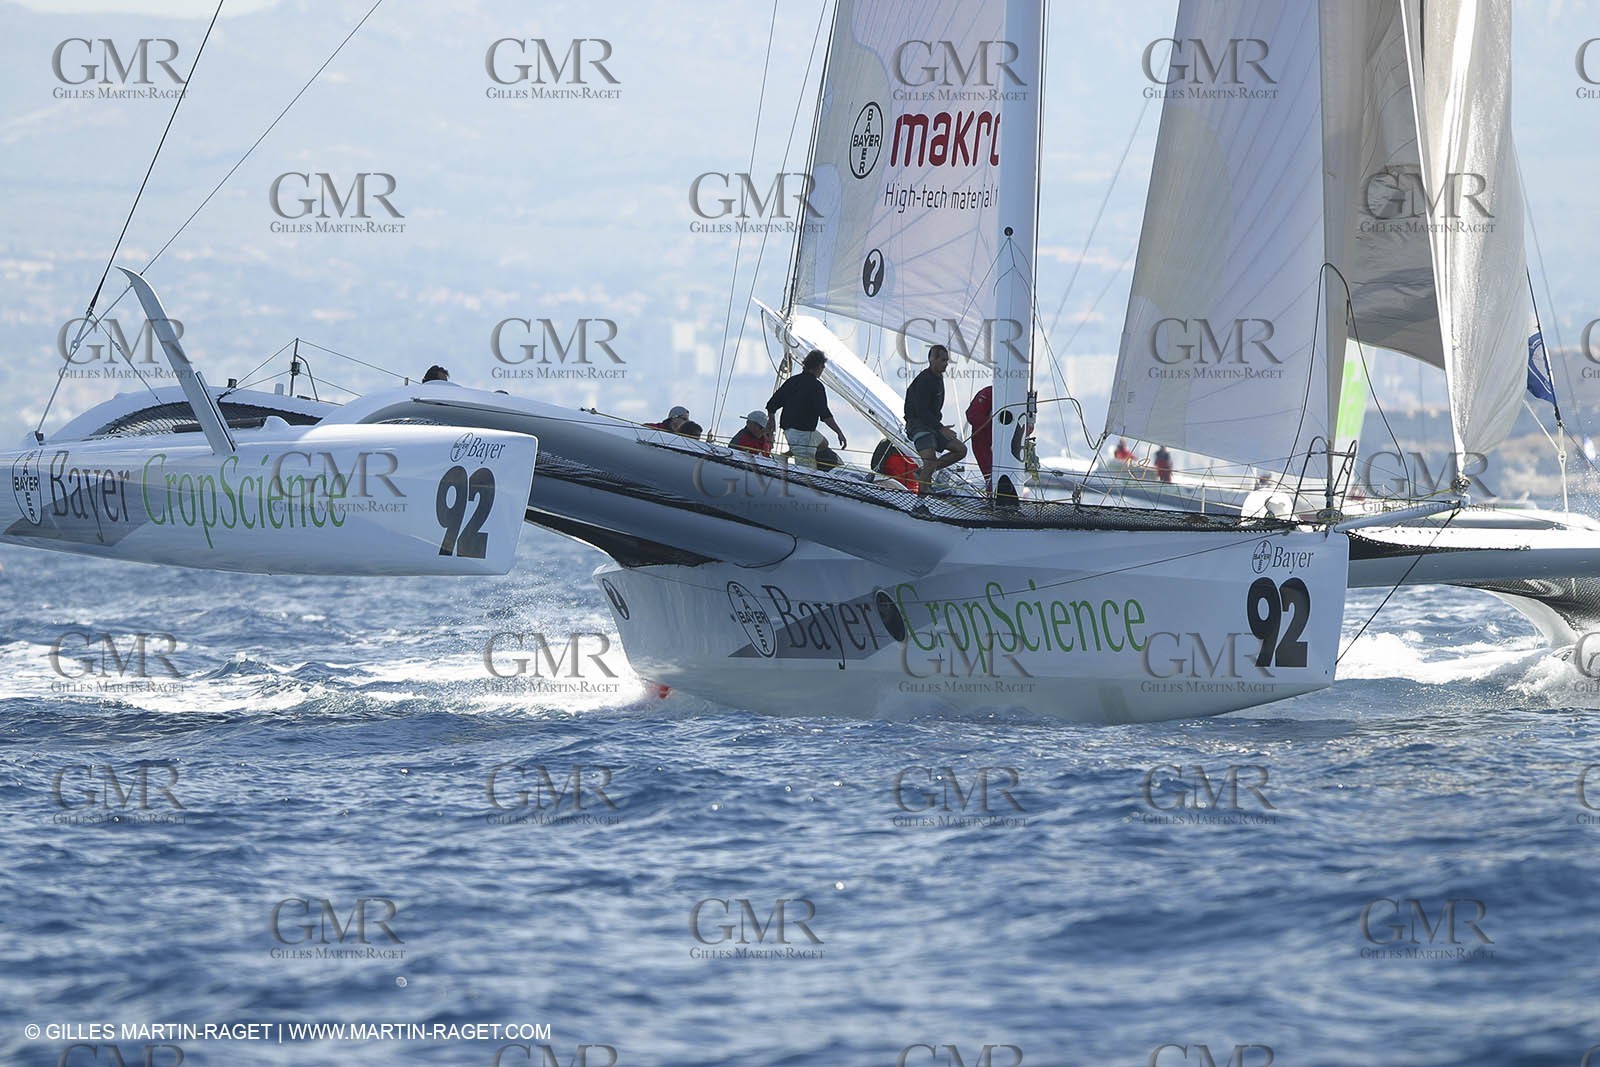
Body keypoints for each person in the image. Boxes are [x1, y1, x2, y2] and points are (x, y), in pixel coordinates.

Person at [766, 349, 846, 469]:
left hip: (789, 431)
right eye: (822, 367)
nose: (822, 370)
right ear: (818, 366)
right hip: (803, 434)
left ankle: (784, 456)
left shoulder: (792, 381)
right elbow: (825, 415)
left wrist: (771, 419)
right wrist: (839, 432)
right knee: (808, 472)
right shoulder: (816, 386)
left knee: (823, 443)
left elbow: (772, 404)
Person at [904, 343, 967, 493]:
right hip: (918, 425)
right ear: (932, 359)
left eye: (947, 360)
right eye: (943, 360)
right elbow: (921, 410)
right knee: (930, 460)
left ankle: (925, 471)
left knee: (960, 450)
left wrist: (938, 427)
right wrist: (941, 428)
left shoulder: (938, 378)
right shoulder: (925, 380)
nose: (946, 364)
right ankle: (921, 501)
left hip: (931, 426)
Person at [965, 385, 993, 482]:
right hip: (984, 442)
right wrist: (993, 424)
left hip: (1012, 448)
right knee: (991, 478)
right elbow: (972, 415)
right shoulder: (989, 393)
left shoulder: (1022, 396)